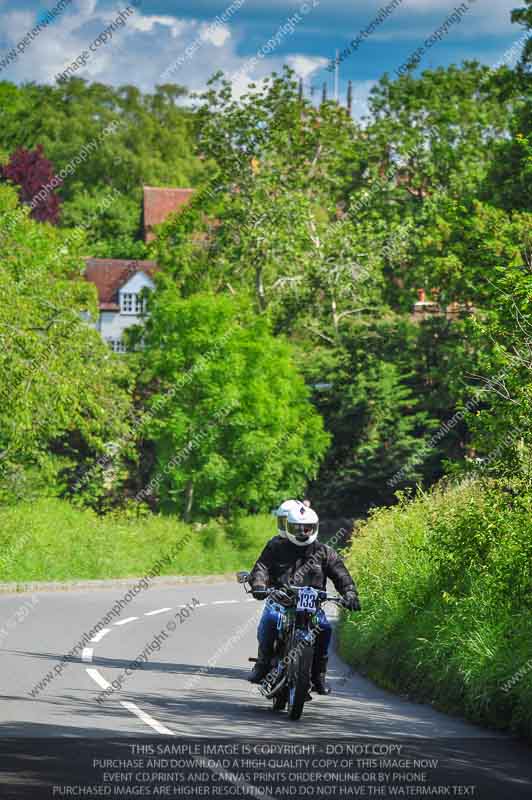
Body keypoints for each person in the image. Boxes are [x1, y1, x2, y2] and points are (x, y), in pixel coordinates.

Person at [248, 500, 361, 694]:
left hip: (312, 607)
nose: (302, 532)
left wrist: (349, 592)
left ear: (314, 528)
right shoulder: (276, 546)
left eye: (307, 528)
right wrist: (259, 584)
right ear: (288, 527)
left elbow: (341, 574)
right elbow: (262, 567)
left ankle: (318, 676)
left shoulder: (325, 552)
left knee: (324, 628)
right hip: (281, 602)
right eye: (297, 528)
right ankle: (263, 665)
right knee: (269, 620)